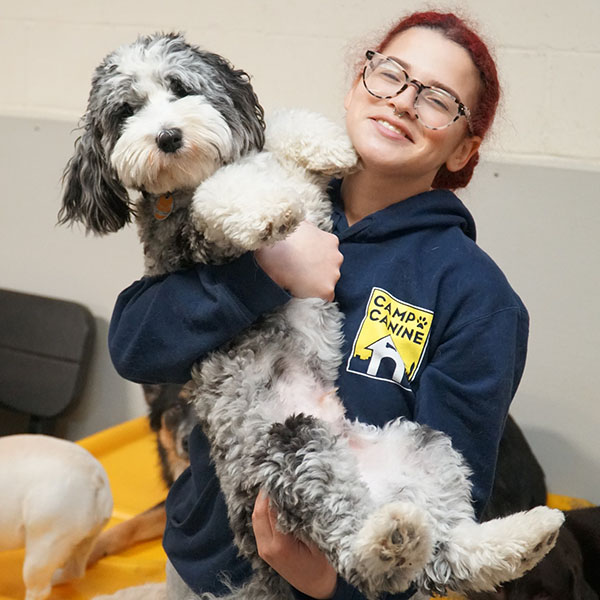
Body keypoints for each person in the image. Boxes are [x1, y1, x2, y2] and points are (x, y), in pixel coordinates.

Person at [108, 10, 528, 600]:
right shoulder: (261, 197)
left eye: (437, 99)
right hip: (198, 566)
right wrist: (261, 272)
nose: (404, 102)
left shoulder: (476, 297)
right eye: (391, 75)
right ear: (360, 83)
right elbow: (134, 347)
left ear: (465, 148)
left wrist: (329, 585)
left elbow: (446, 500)